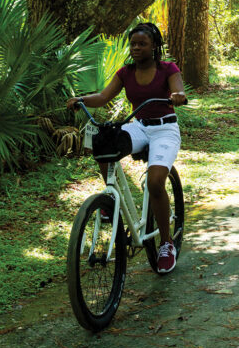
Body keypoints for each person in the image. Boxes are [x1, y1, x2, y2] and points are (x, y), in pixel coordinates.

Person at [67, 22, 186, 274]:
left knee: (155, 183)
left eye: (142, 44)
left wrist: (177, 96)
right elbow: (102, 97)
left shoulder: (167, 68)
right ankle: (110, 200)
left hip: (165, 129)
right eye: (133, 43)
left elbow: (178, 90)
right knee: (104, 143)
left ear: (154, 46)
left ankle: (166, 243)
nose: (136, 48)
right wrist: (81, 100)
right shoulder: (125, 73)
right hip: (140, 126)